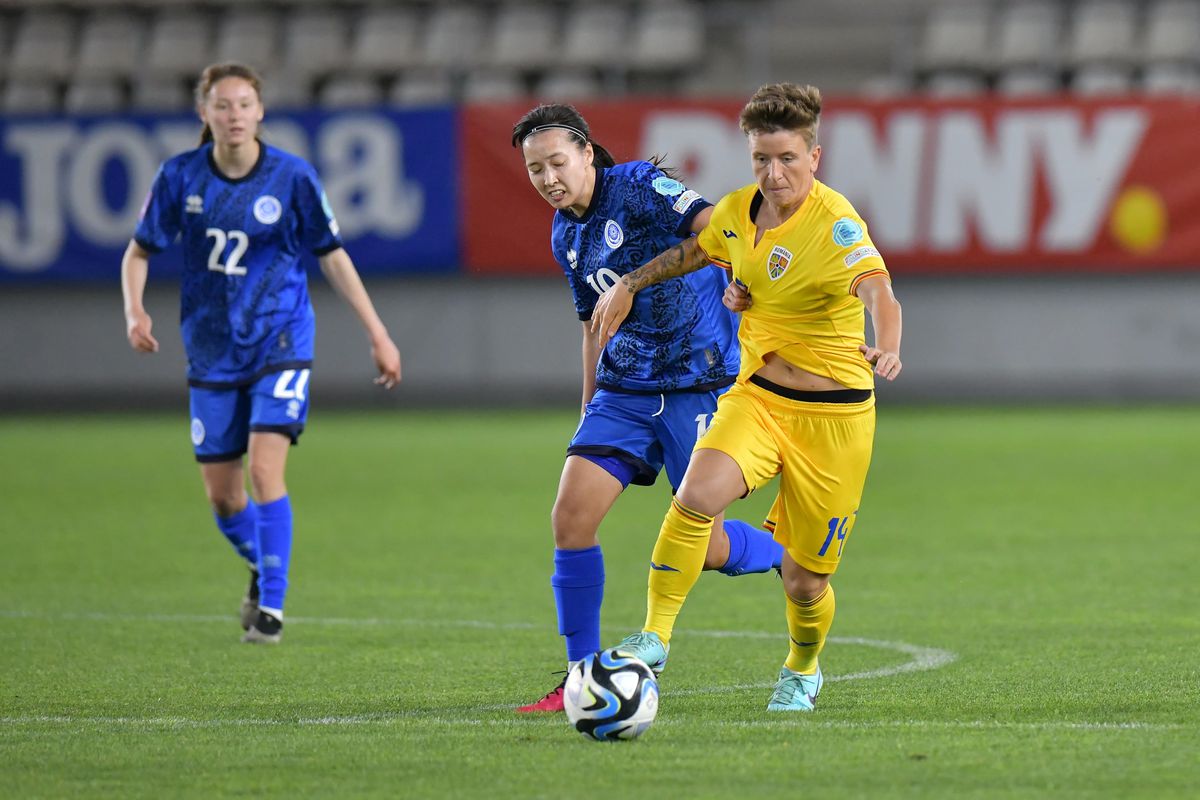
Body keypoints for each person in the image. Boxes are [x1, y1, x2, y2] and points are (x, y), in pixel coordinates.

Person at [591, 83, 903, 710]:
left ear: (814, 157)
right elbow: (695, 251)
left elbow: (880, 293)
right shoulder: (738, 210)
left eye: (787, 158)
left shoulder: (836, 224)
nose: (773, 171)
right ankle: (654, 637)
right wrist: (632, 280)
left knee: (805, 580)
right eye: (761, 158)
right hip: (757, 396)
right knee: (696, 495)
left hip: (835, 421)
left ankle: (802, 668)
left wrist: (887, 343)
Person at [511, 103, 785, 712]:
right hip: (625, 391)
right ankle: (580, 677)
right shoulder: (565, 233)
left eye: (558, 161)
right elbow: (592, 326)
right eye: (535, 170)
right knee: (570, 519)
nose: (549, 178)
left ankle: (787, 554)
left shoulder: (636, 186)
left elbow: (719, 225)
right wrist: (588, 406)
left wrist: (743, 283)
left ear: (587, 152)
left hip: (701, 381)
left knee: (709, 547)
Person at [120, 63, 402, 645]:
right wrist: (135, 310)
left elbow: (332, 254)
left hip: (281, 339)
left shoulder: (291, 177)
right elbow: (138, 252)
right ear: (204, 114)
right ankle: (261, 562)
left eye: (244, 104)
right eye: (222, 105)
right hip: (211, 349)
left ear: (260, 112)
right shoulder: (180, 178)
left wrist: (377, 331)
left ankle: (271, 607)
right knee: (224, 497)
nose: (234, 115)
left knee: (265, 469)